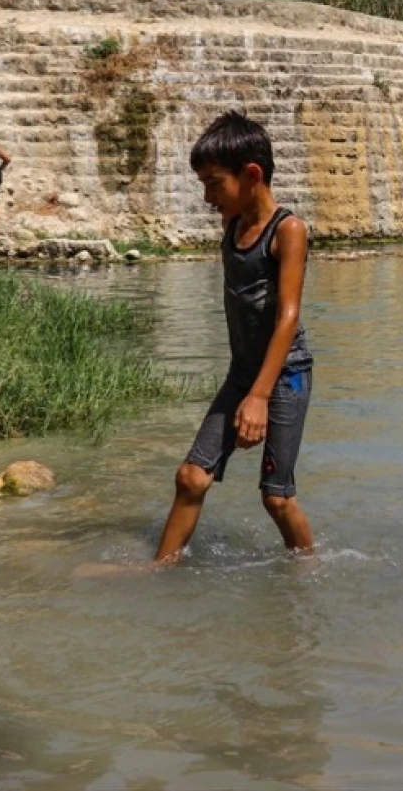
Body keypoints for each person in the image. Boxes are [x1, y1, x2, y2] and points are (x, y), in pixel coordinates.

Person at [155, 111, 316, 564]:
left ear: (251, 175)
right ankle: (158, 571)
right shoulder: (233, 226)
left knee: (276, 498)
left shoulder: (288, 230)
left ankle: (307, 573)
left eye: (213, 184)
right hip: (242, 374)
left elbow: (288, 316)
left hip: (284, 378)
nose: (207, 197)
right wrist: (246, 388)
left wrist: (260, 396)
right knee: (190, 477)